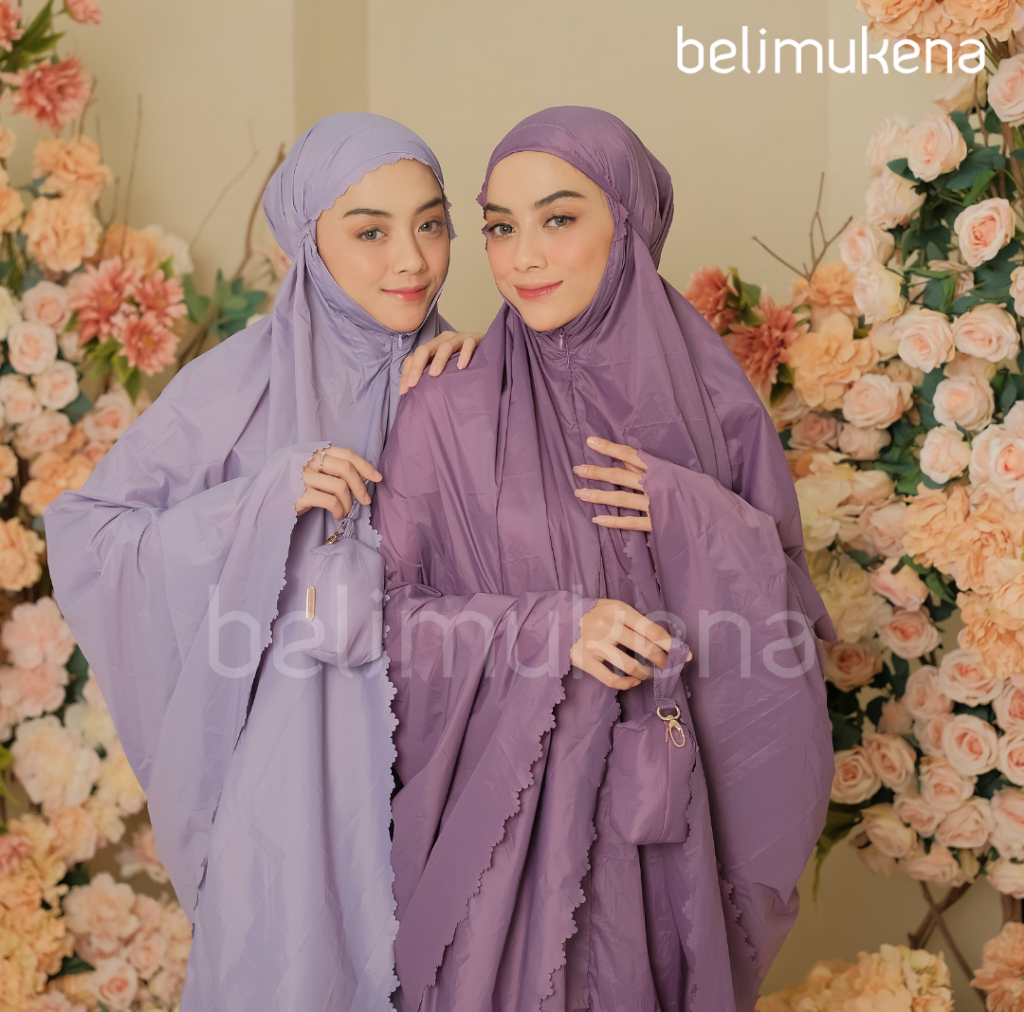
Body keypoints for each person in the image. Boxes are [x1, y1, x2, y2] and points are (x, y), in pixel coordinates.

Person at [373, 106, 835, 1012]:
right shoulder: (445, 408)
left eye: (558, 218)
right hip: (511, 844)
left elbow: (789, 609)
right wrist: (551, 631)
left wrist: (691, 515)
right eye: (500, 227)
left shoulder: (716, 405)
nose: (523, 258)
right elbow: (377, 619)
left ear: (627, 220)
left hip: (670, 823)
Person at [45, 113, 477, 1012]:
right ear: (307, 240)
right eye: (370, 232)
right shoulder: (236, 383)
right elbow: (92, 536)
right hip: (288, 790)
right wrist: (262, 500)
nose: (412, 259)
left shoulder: (472, 375)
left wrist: (482, 404)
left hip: (452, 763)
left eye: (431, 224)